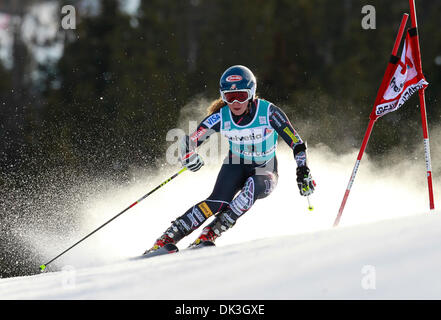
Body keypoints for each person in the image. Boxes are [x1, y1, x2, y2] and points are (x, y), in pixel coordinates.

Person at [145, 65, 315, 254]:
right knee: (218, 201)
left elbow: (296, 142)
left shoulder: (268, 112)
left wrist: (302, 170)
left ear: (251, 93)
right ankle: (167, 238)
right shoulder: (220, 116)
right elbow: (191, 141)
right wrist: (188, 155)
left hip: (264, 167)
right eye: (229, 96)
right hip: (235, 164)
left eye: (241, 96)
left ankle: (210, 233)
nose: (235, 102)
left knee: (253, 186)